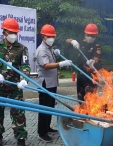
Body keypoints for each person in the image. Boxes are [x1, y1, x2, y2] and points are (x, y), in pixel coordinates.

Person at [35, 24, 72, 143]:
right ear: (43, 37)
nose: (51, 38)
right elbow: (46, 65)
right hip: (45, 83)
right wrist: (61, 64)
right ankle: (42, 132)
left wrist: (55, 53)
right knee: (44, 108)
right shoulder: (41, 50)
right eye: (49, 36)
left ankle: (47, 127)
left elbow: (50, 59)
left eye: (53, 36)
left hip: (52, 83)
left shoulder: (49, 48)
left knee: (50, 106)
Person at [0, 18, 31, 146]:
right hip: (0, 86)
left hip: (15, 87)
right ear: (4, 32)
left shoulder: (22, 48)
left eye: (15, 33)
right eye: (11, 32)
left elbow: (25, 65)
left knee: (18, 112)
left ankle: (21, 137)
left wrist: (23, 79)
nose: (14, 35)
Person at [66, 23, 102, 101]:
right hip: (81, 75)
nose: (90, 37)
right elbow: (67, 40)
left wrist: (93, 62)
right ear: (85, 34)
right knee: (80, 98)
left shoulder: (97, 46)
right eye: (88, 35)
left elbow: (97, 58)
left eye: (92, 36)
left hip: (92, 77)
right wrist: (72, 41)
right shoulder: (80, 43)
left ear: (95, 36)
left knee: (91, 100)